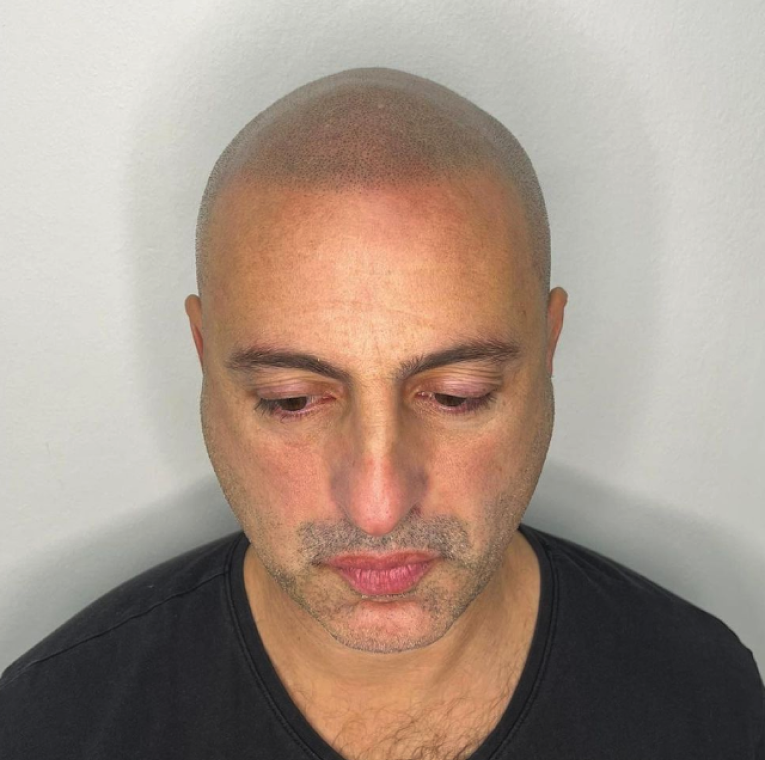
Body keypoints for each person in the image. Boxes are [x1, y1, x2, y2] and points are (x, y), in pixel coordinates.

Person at [0, 66, 762, 760]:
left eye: (457, 395)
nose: (377, 506)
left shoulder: (704, 696)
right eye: (291, 401)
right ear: (204, 354)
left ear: (548, 342)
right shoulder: (50, 728)